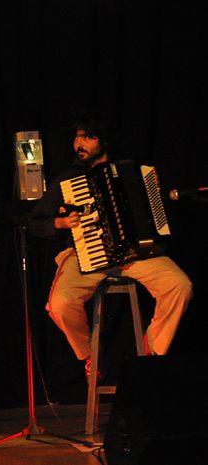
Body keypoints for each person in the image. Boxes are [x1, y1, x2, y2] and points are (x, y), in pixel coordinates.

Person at [29, 115, 193, 377]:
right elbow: (35, 223)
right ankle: (90, 356)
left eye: (88, 137)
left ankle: (151, 353)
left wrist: (153, 195)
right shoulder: (67, 180)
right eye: (77, 137)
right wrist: (59, 223)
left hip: (134, 254)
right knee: (60, 304)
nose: (79, 143)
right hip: (85, 256)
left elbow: (156, 214)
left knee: (180, 286)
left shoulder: (130, 171)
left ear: (103, 141)